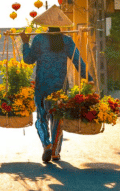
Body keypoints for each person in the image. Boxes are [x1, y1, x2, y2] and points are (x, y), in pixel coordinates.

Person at [20, 25, 93, 163]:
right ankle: (54, 152)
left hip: (42, 85)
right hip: (60, 86)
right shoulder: (66, 40)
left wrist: (25, 42)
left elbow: (28, 59)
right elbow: (77, 60)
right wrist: (88, 78)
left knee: (41, 117)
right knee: (57, 116)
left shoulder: (39, 39)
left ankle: (46, 144)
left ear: (47, 26)